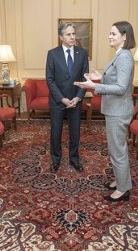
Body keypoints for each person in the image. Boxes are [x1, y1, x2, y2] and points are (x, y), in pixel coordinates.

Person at [74, 21, 136, 202]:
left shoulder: (124, 56)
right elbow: (117, 78)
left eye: (113, 34)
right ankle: (120, 180)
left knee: (118, 151)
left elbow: (121, 87)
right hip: (115, 110)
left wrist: (95, 86)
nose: (109, 36)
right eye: (109, 33)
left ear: (124, 36)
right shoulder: (119, 55)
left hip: (118, 111)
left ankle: (123, 189)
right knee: (116, 149)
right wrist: (100, 77)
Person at [46, 22, 89, 174]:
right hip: (58, 101)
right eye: (68, 34)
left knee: (75, 132)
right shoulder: (52, 54)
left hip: (75, 101)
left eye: (73, 34)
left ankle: (74, 158)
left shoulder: (82, 53)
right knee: (56, 132)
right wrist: (62, 98)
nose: (72, 37)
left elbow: (85, 79)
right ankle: (56, 159)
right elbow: (49, 79)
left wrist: (78, 98)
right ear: (61, 37)